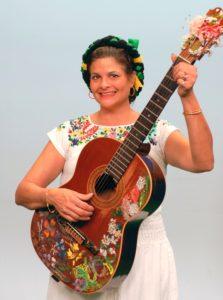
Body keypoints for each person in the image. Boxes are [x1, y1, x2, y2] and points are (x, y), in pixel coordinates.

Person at [15, 35, 214, 300]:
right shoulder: (71, 132)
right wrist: (52, 196)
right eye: (96, 77)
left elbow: (203, 162)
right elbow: (23, 192)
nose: (104, 84)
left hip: (143, 258)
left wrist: (188, 97)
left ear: (133, 79)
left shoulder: (158, 132)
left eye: (113, 75)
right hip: (80, 251)